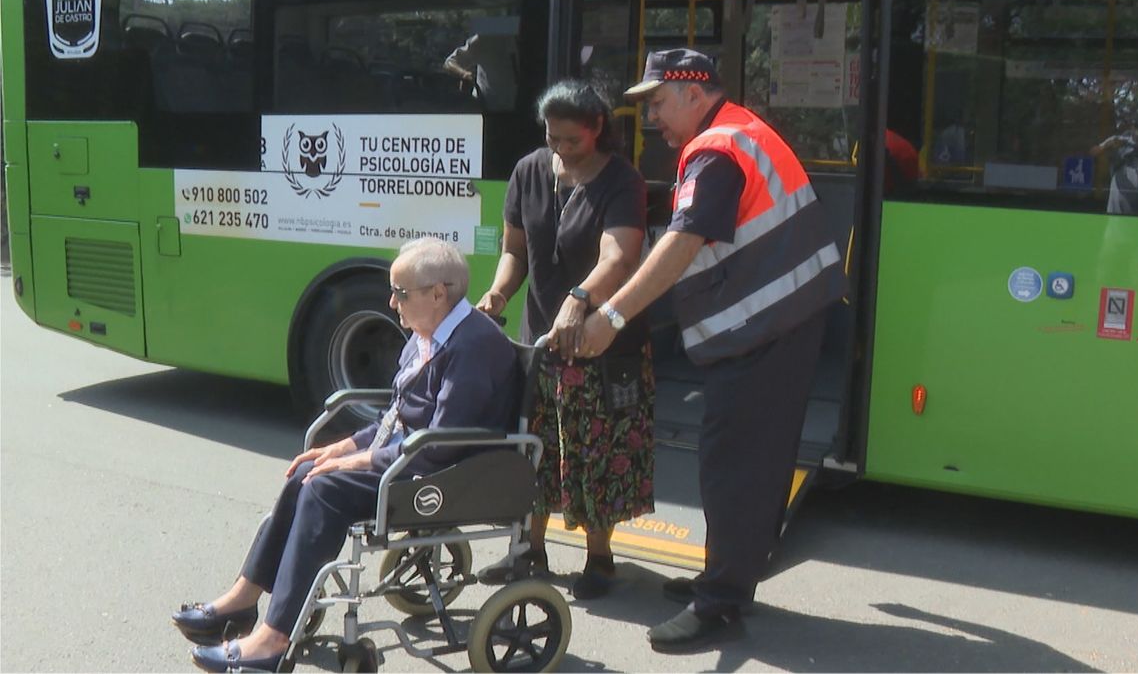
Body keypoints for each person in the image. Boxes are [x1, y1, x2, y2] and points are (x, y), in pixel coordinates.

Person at [578, 49, 845, 652]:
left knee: (734, 464)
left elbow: (682, 242)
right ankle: (725, 576)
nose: (652, 118)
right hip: (786, 319)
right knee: (752, 461)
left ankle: (720, 601)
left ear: (694, 93)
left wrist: (615, 313)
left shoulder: (716, 150)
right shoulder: (739, 132)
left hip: (768, 326)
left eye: (658, 102)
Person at [172, 237, 519, 672]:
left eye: (401, 293)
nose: (392, 303)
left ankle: (272, 641)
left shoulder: (473, 347)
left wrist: (353, 462)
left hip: (446, 470)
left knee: (324, 489)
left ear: (438, 293)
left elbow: (440, 444)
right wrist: (341, 447)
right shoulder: (425, 335)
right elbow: (397, 417)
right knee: (306, 473)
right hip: (412, 454)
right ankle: (244, 599)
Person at [474, 80, 655, 600]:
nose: (560, 150)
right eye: (553, 138)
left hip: (604, 343)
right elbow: (516, 252)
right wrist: (498, 295)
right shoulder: (530, 170)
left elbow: (618, 258)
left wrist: (580, 297)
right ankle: (530, 550)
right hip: (541, 340)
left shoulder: (623, 181)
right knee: (532, 447)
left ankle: (600, 558)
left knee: (598, 451)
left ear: (597, 129)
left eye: (571, 141)